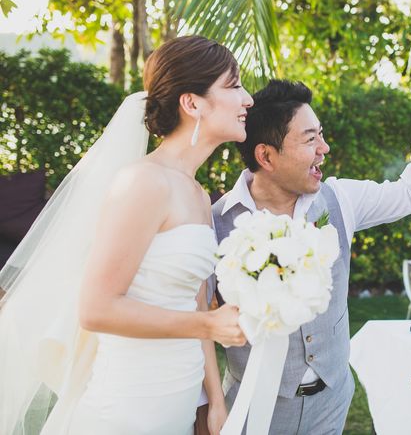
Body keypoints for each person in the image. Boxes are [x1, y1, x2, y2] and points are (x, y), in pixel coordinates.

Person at [0, 36, 250, 435]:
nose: (247, 99)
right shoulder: (143, 183)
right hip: (126, 409)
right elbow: (97, 309)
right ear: (192, 103)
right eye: (234, 85)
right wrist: (208, 326)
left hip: (179, 403)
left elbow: (197, 303)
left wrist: (215, 402)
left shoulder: (199, 195)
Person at [210, 57, 411, 434]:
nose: (324, 148)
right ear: (266, 155)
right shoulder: (214, 224)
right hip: (252, 410)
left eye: (321, 134)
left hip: (331, 402)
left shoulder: (339, 199)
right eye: (310, 139)